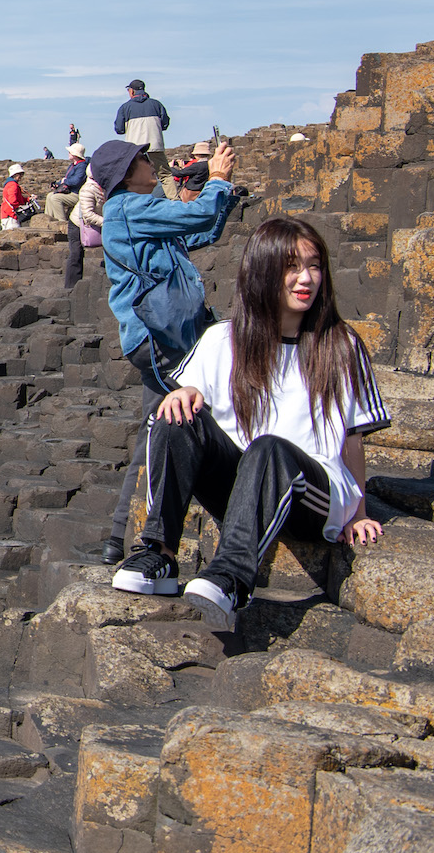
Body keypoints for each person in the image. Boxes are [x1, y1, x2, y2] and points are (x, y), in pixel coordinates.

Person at [113, 217, 388, 631]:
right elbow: (187, 414)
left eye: (314, 266)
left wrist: (359, 512)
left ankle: (232, 578)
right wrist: (184, 393)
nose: (306, 279)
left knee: (268, 448)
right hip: (243, 485)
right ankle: (159, 554)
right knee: (174, 413)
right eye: (291, 267)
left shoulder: (341, 345)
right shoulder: (222, 339)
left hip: (311, 493)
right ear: (263, 272)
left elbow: (353, 437)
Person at [89, 135, 240, 564]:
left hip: (162, 337)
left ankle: (118, 538)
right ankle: (230, 517)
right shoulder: (129, 208)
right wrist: (216, 181)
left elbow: (202, 229)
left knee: (155, 430)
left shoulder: (139, 209)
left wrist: (220, 192)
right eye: (141, 159)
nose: (150, 164)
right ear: (125, 174)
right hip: (161, 339)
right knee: (202, 414)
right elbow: (199, 214)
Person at [65, 155, 106, 291]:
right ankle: (71, 287)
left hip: (95, 222)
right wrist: (106, 222)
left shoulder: (103, 187)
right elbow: (87, 214)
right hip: (77, 224)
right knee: (76, 254)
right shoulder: (88, 188)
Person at [115, 79, 169, 164]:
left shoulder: (125, 107)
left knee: (135, 171)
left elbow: (119, 129)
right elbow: (165, 124)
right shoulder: (157, 104)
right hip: (155, 146)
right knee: (163, 171)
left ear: (132, 91)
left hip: (134, 148)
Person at [44, 143, 88, 222]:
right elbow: (66, 180)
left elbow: (76, 181)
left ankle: (61, 222)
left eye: (70, 152)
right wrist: (57, 184)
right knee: (50, 195)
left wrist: (65, 181)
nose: (68, 154)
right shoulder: (72, 166)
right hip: (69, 192)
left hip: (76, 194)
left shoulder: (82, 166)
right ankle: (48, 220)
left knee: (55, 198)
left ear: (75, 154)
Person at [0, 165, 34, 230]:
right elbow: (12, 200)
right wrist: (21, 208)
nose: (21, 176)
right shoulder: (13, 185)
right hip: (11, 215)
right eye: (20, 174)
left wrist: (28, 199)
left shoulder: (10, 184)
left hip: (7, 214)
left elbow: (17, 199)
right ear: (15, 174)